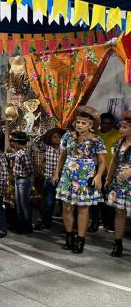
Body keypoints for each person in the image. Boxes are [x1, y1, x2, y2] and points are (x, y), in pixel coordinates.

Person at [53, 106, 106, 254]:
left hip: (85, 176)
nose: (80, 125)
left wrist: (98, 176)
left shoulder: (96, 139)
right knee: (67, 207)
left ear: (90, 125)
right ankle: (69, 237)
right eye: (78, 122)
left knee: (83, 208)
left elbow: (103, 162)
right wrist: (57, 173)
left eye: (83, 123)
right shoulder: (67, 136)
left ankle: (80, 240)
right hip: (68, 174)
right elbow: (62, 156)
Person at [105, 111, 130, 257]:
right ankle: (118, 243)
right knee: (119, 212)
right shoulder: (119, 142)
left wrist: (129, 171)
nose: (121, 129)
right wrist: (109, 178)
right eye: (121, 126)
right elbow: (114, 161)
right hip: (120, 181)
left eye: (124, 127)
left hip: (128, 179)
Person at [33, 128, 65, 230]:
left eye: (59, 137)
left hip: (63, 180)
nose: (57, 139)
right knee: (49, 202)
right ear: (50, 139)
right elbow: (36, 142)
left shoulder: (64, 148)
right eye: (54, 137)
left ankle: (67, 224)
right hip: (50, 179)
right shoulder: (47, 147)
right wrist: (45, 134)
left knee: (64, 203)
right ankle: (46, 222)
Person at [93, 112, 121, 233]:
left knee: (110, 199)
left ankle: (110, 224)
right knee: (97, 199)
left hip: (111, 172)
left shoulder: (118, 134)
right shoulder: (95, 135)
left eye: (109, 124)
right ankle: (97, 222)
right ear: (100, 123)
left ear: (113, 124)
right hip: (97, 171)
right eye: (104, 123)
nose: (106, 125)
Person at [5, 131, 34, 233]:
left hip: (24, 179)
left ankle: (27, 226)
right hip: (19, 179)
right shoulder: (20, 152)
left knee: (24, 204)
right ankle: (20, 224)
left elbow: (30, 169)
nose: (12, 143)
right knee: (18, 203)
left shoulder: (24, 153)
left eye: (13, 141)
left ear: (17, 142)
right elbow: (10, 156)